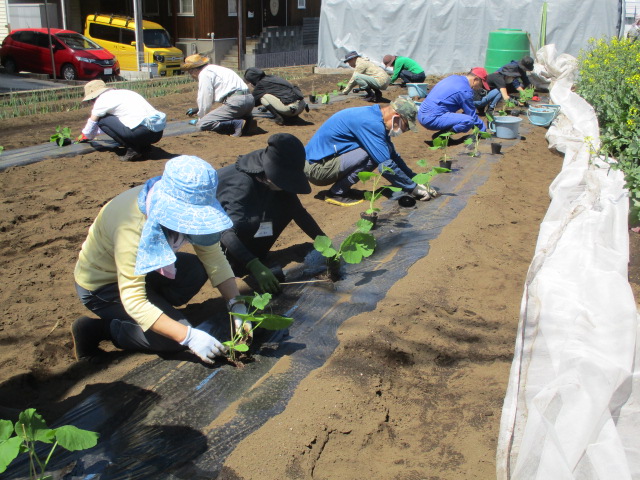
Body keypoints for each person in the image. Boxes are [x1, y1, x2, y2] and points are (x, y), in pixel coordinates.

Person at [72, 155, 248, 364]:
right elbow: (134, 299)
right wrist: (188, 336)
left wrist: (236, 303)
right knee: (171, 341)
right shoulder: (132, 226)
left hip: (147, 271)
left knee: (196, 269)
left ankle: (159, 307)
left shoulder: (183, 201)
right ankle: (98, 329)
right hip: (104, 285)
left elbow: (213, 256)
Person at [217, 133, 326, 293]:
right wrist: (255, 266)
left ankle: (256, 255)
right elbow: (226, 231)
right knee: (247, 224)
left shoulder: (271, 174)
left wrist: (325, 243)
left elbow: (299, 213)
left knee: (285, 207)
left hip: (245, 222)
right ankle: (236, 265)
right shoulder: (241, 185)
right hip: (218, 236)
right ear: (272, 174)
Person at [304, 97, 436, 206]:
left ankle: (341, 189)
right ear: (397, 116)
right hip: (317, 169)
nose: (404, 130)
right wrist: (412, 188)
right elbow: (386, 164)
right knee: (373, 155)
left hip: (325, 162)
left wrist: (415, 180)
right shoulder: (370, 123)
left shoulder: (375, 117)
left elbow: (393, 155)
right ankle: (336, 193)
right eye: (405, 125)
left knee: (383, 150)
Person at [77, 80, 166, 162]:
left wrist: (85, 136)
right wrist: (96, 132)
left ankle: (133, 149)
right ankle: (145, 148)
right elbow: (116, 125)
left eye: (91, 101)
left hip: (141, 133)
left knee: (101, 120)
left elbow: (92, 125)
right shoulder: (125, 93)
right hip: (157, 133)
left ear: (94, 97)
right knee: (129, 122)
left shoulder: (101, 100)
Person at [182, 54, 254, 137]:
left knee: (202, 124)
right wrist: (198, 109)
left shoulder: (204, 74)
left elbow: (205, 98)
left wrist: (201, 118)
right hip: (249, 100)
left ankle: (236, 124)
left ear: (193, 70)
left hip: (237, 102)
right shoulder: (217, 69)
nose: (191, 75)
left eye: (189, 71)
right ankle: (246, 122)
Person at [417, 68, 488, 137]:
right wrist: (483, 131)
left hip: (421, 113)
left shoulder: (454, 78)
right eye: (481, 84)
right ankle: (442, 137)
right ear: (476, 79)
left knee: (457, 114)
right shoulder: (465, 91)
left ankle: (444, 134)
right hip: (430, 118)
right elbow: (472, 115)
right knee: (468, 120)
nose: (480, 87)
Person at [243, 67, 308, 125]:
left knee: (263, 97)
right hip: (301, 105)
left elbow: (253, 101)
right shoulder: (271, 78)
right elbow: (277, 95)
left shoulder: (261, 84)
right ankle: (292, 117)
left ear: (252, 80)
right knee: (268, 95)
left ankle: (279, 119)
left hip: (292, 109)